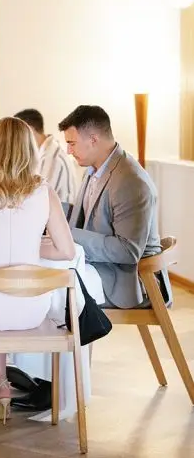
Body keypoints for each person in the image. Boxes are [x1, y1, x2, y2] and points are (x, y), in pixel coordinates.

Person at [0, 116, 76, 422]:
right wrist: (31, 247)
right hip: (31, 308)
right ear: (28, 149)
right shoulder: (44, 191)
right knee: (0, 298)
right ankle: (2, 384)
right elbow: (66, 250)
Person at [59, 105, 163, 308]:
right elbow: (86, 215)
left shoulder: (130, 181)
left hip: (129, 280)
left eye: (72, 143)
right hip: (103, 266)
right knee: (51, 276)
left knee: (57, 291)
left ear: (93, 139)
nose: (68, 151)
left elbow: (127, 251)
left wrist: (67, 234)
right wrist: (48, 209)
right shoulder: (93, 168)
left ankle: (70, 339)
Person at [15, 108, 77, 204]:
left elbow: (39, 199)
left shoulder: (52, 158)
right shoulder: (46, 151)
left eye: (18, 134)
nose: (17, 140)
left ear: (29, 129)